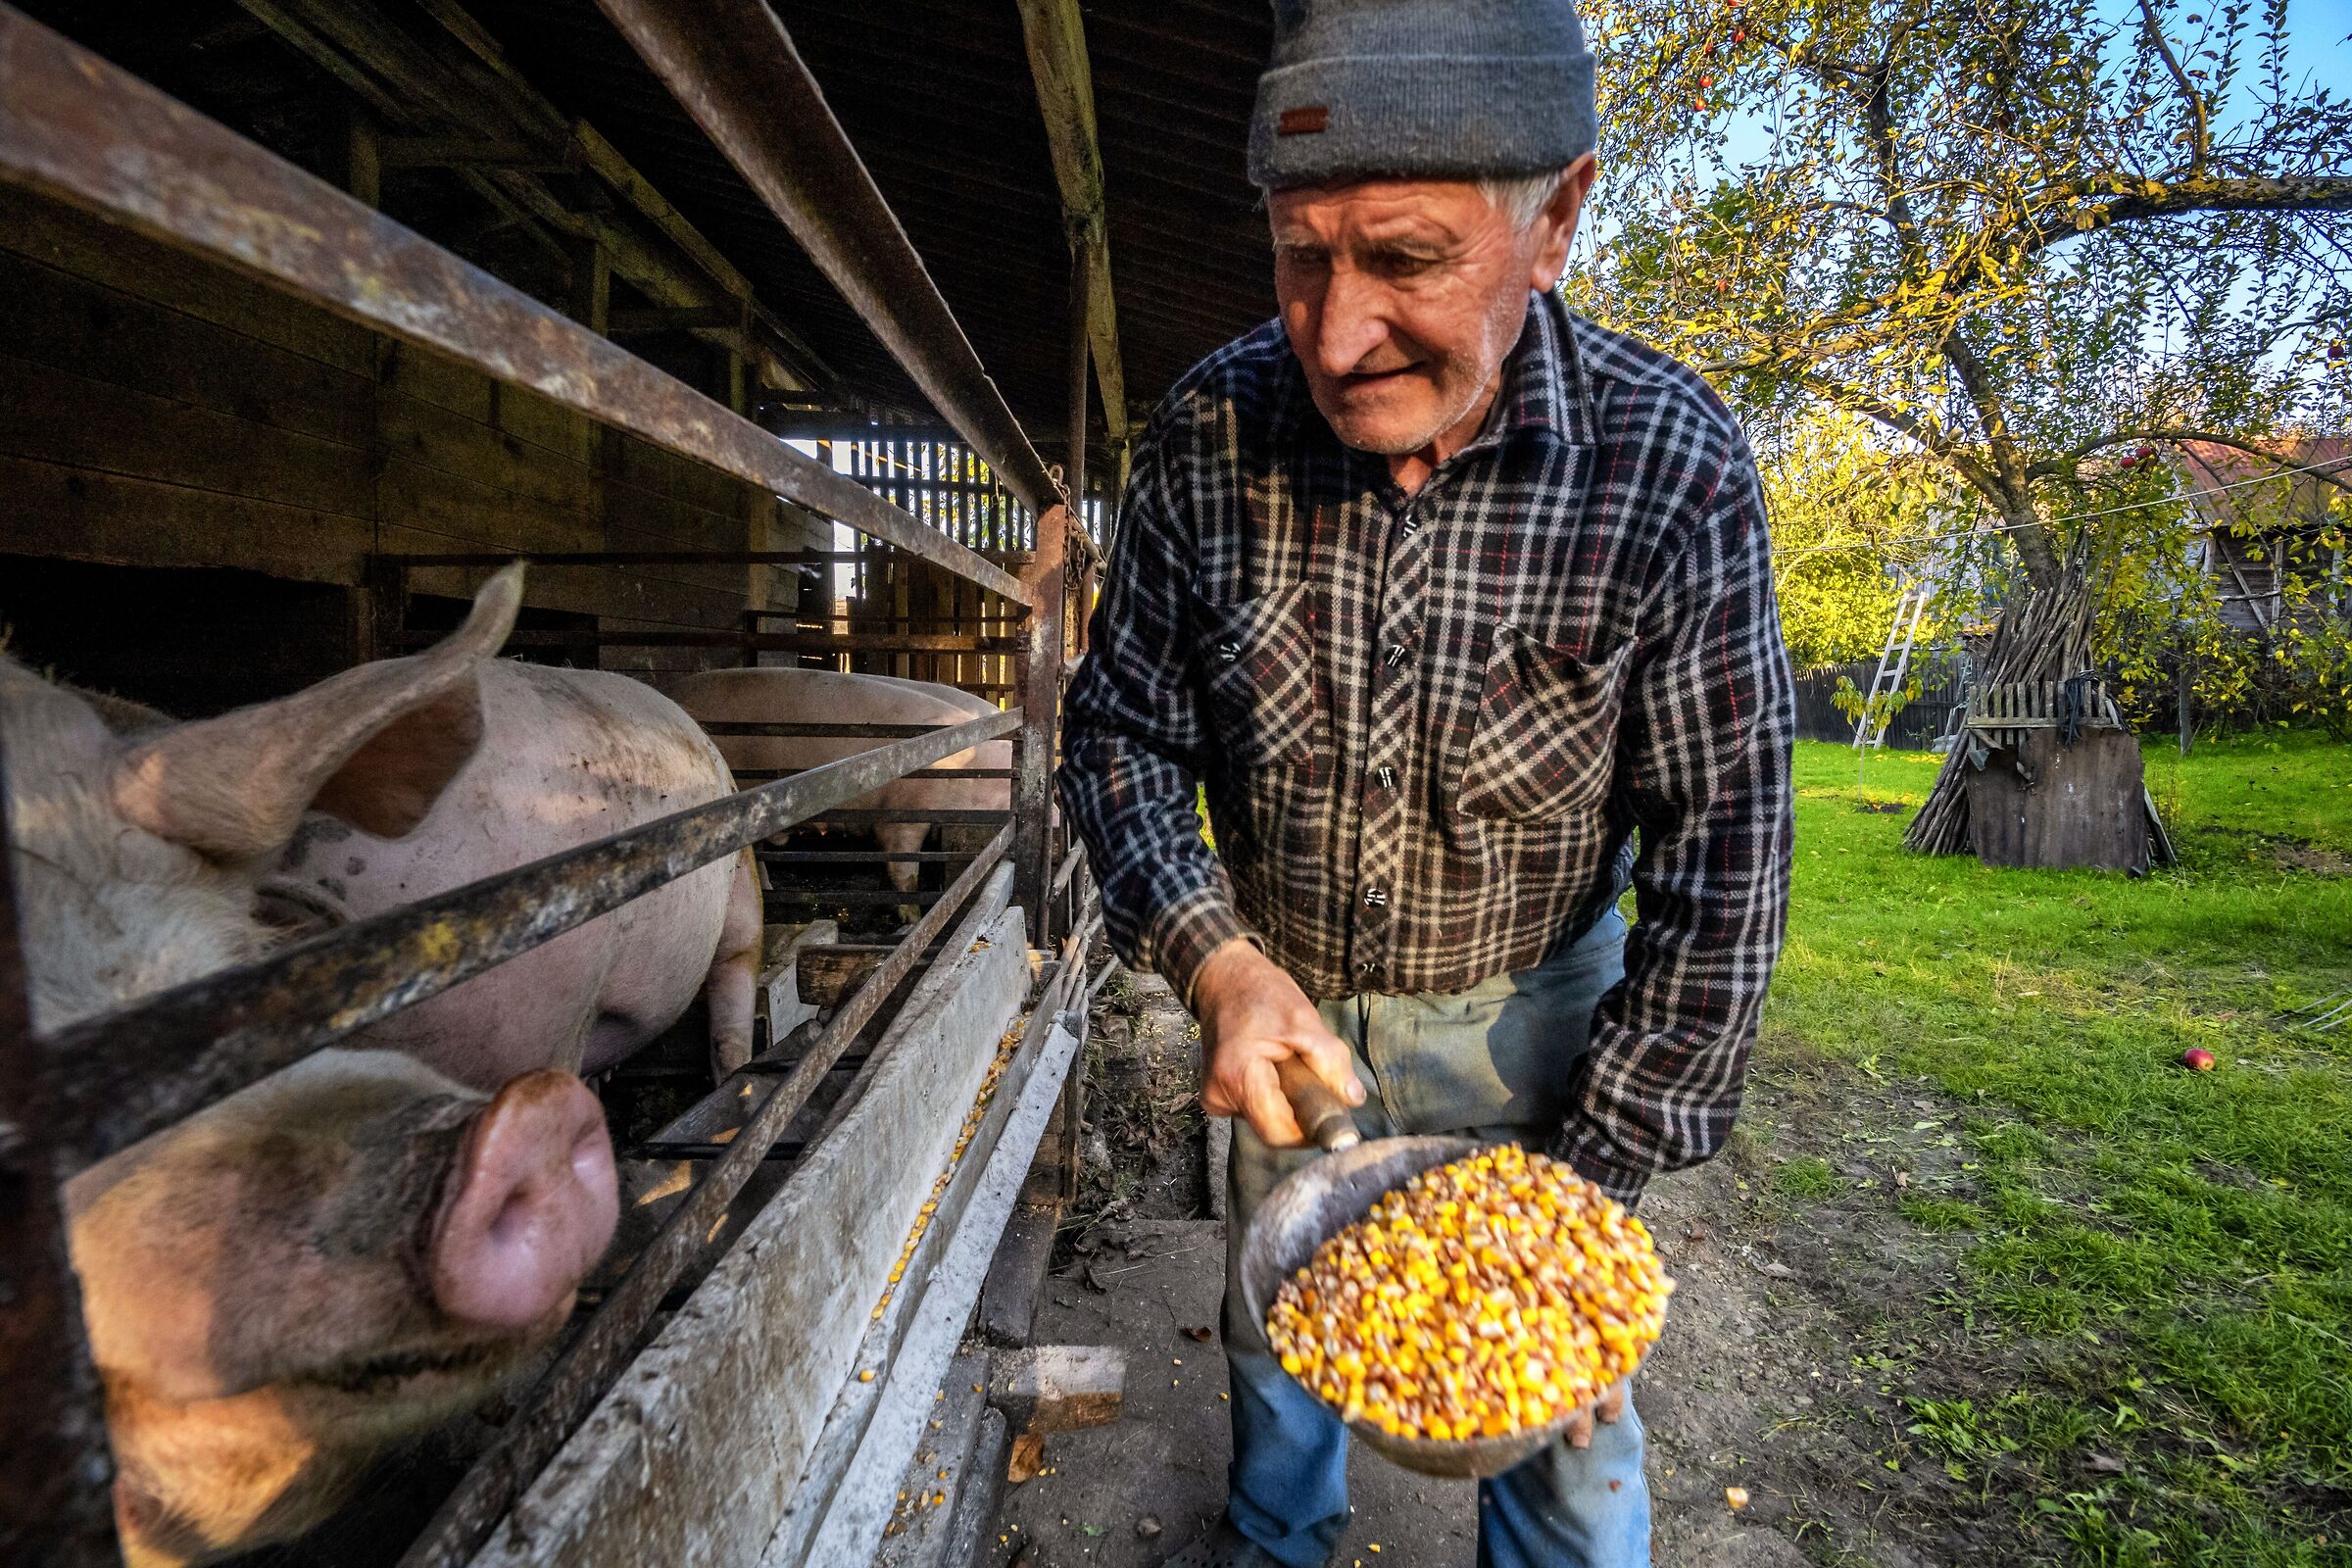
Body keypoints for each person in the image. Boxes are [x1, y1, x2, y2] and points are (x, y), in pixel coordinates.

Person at [1057, 1, 1796, 1563]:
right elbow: (1118, 730)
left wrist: (1568, 1217)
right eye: (1299, 257)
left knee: (1559, 1428)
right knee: (1285, 1343)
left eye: (1400, 260)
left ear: (1558, 223)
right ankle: (1278, 1544)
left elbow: (1726, 868)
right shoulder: (1206, 436)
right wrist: (1221, 962)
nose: (1334, 335)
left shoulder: (1668, 469)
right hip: (1290, 1023)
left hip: (1535, 1014)